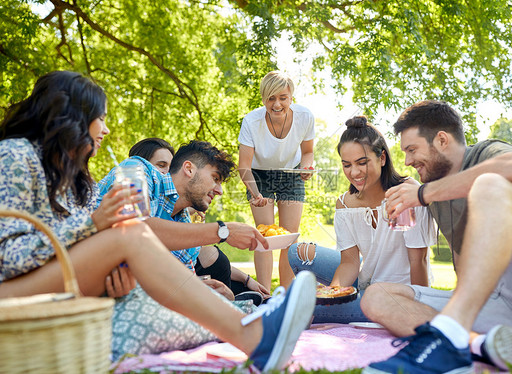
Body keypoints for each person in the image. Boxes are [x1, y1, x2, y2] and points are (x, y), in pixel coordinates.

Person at [0, 70, 317, 372]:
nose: (106, 130)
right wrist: (95, 227)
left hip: (65, 287)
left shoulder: (70, 174)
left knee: (170, 315)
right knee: (131, 234)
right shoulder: (15, 155)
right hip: (13, 294)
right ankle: (253, 336)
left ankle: (257, 319)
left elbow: (80, 247)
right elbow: (10, 257)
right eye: (101, 119)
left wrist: (110, 269)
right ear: (73, 117)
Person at [361, 100, 512, 374]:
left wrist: (422, 194)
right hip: (502, 308)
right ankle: (479, 345)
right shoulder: (435, 196)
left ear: (442, 140)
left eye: (411, 149)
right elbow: (462, 266)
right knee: (376, 295)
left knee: (489, 184)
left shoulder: (485, 153)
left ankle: (452, 331)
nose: (407, 161)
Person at [288, 116, 436, 323]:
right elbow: (349, 262)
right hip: (367, 284)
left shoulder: (402, 195)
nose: (354, 172)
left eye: (362, 162)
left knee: (304, 309)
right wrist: (333, 294)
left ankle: (284, 310)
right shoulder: (346, 204)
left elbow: (417, 260)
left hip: (396, 295)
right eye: (347, 165)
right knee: (296, 253)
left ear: (382, 158)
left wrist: (419, 309)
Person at [99, 140, 270, 302]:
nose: (219, 191)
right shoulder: (137, 170)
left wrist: (220, 297)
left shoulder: (184, 223)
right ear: (188, 169)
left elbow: (181, 280)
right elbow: (134, 229)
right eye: (215, 178)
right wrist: (223, 231)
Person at [238, 71, 315, 290]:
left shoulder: (305, 117)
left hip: (291, 173)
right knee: (265, 237)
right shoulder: (251, 121)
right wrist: (255, 193)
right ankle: (264, 296)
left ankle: (287, 296)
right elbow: (244, 165)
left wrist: (307, 166)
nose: (277, 104)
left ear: (291, 97)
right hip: (258, 175)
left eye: (283, 97)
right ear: (263, 99)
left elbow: (308, 152)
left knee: (289, 239)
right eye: (271, 98)